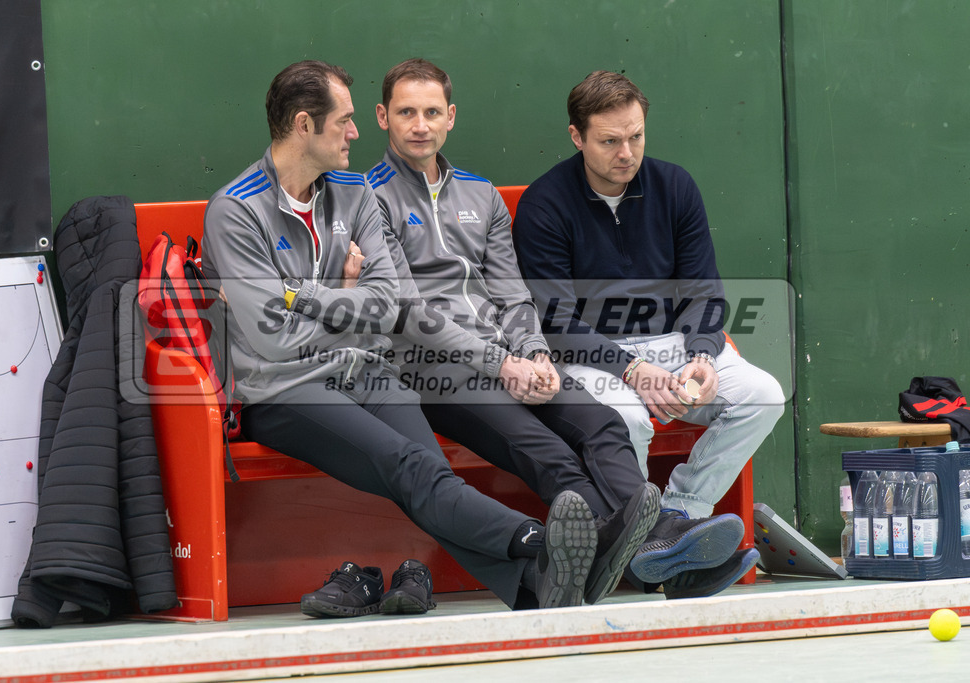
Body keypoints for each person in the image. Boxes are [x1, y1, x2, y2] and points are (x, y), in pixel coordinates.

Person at [200, 60, 633, 614]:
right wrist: (355, 304)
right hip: (288, 390)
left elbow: (394, 302)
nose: (356, 132)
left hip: (370, 371)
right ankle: (540, 541)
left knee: (428, 478)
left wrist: (305, 295)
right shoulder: (235, 211)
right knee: (413, 468)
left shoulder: (354, 193)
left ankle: (534, 587)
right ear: (305, 126)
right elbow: (276, 343)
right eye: (346, 121)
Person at [368, 58, 757, 600]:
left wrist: (533, 354)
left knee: (600, 425)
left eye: (432, 111)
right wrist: (505, 363)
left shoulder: (480, 197)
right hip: (434, 369)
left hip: (515, 358)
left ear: (450, 116)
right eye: (407, 112)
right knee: (548, 453)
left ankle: (657, 543)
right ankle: (659, 555)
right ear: (383, 117)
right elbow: (408, 310)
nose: (420, 124)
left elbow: (514, 294)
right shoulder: (364, 198)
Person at [512, 70, 786, 538]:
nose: (626, 153)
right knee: (628, 419)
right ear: (577, 137)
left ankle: (680, 516)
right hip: (591, 355)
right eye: (610, 141)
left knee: (763, 396)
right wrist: (633, 370)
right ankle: (635, 540)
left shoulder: (675, 186)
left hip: (677, 346)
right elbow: (555, 321)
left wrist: (702, 355)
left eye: (636, 136)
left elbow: (704, 290)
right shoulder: (546, 203)